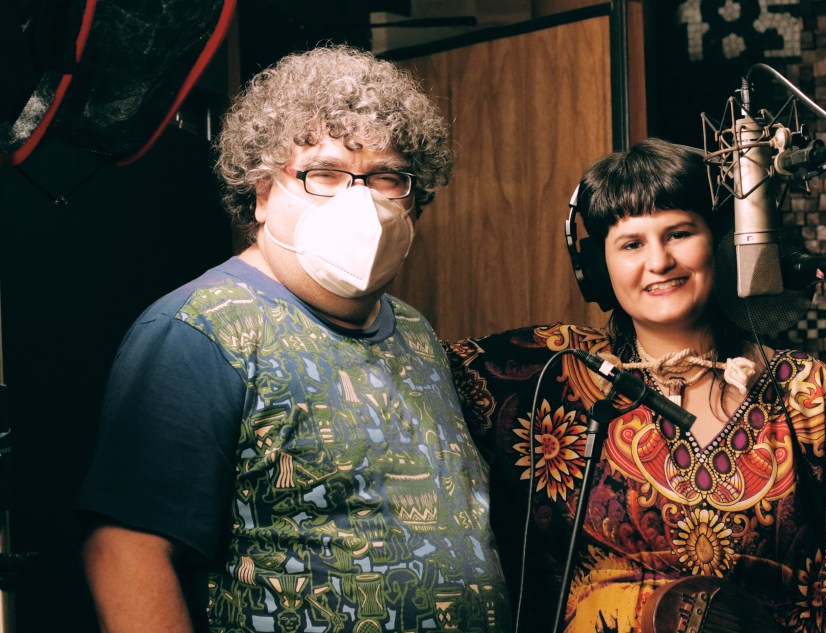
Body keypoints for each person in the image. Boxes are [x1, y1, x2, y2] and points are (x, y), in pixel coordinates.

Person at [77, 44, 510, 633]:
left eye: (386, 177)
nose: (360, 202)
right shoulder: (199, 332)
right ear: (262, 192)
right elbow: (126, 553)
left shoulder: (413, 331)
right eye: (324, 173)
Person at [446, 138, 826, 632]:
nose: (659, 262)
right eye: (632, 244)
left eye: (678, 234)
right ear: (596, 269)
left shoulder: (806, 393)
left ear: (721, 243)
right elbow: (414, 364)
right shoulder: (558, 374)